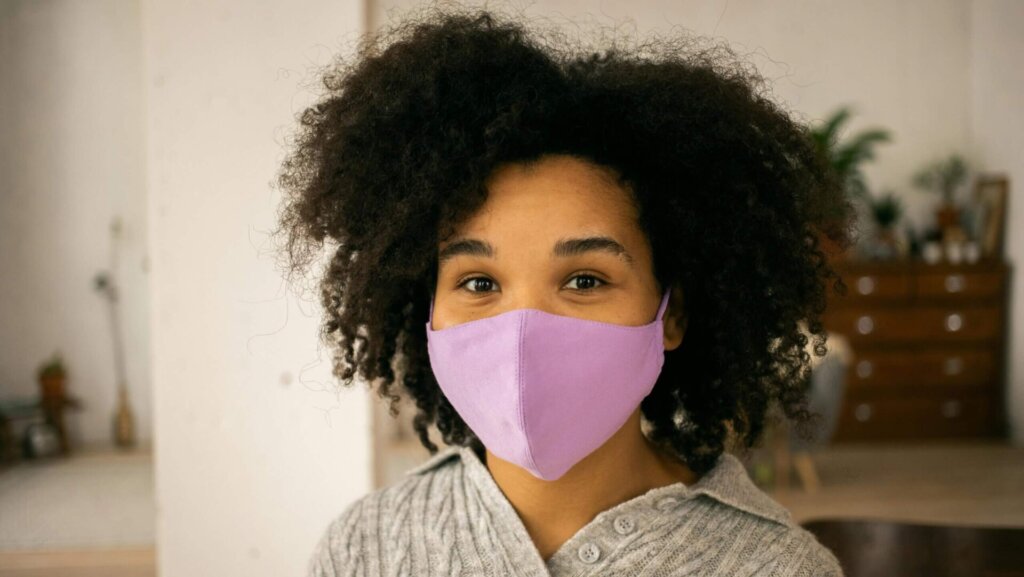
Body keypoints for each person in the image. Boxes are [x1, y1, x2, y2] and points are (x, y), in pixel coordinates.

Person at [273, 4, 854, 576]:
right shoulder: (364, 547)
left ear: (670, 314)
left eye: (585, 280)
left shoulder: (779, 567)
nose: (524, 326)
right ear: (426, 311)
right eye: (478, 282)